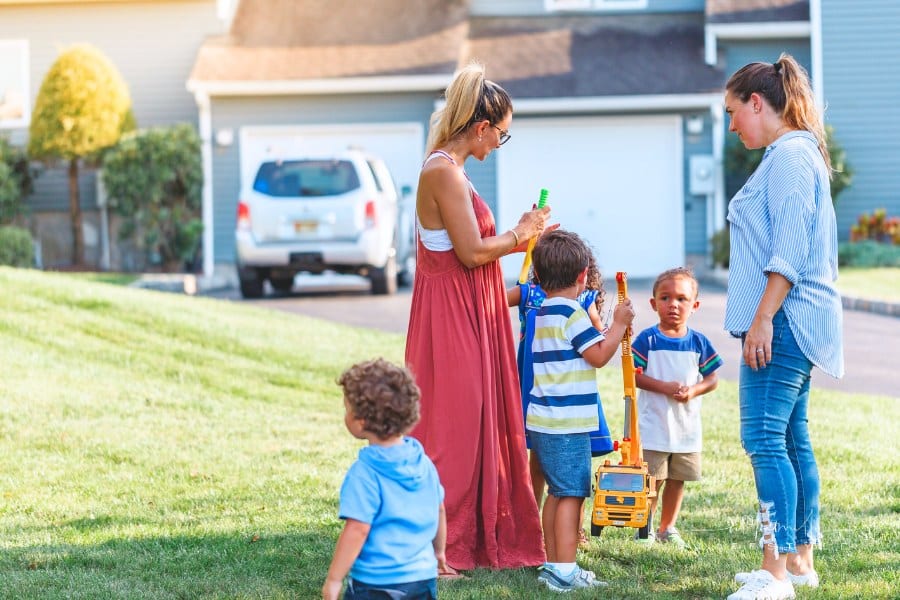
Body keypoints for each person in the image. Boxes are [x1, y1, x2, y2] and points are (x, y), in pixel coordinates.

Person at [404, 61, 550, 572]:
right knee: (456, 429)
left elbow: (467, 261)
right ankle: (440, 542)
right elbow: (468, 254)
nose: (499, 146)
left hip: (471, 309)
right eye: (501, 136)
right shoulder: (442, 170)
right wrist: (521, 233)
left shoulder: (453, 170)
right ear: (481, 127)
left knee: (477, 421)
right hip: (451, 319)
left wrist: (515, 289)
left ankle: (478, 531)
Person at [723, 53, 844, 600]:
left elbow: (788, 253)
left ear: (757, 102)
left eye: (733, 112)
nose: (732, 126)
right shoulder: (792, 155)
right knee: (792, 439)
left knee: (764, 440)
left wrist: (763, 319)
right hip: (793, 319)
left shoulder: (790, 158)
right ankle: (798, 562)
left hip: (785, 320)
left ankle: (775, 575)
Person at [526, 229, 634, 592]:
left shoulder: (543, 311)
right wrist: (618, 324)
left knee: (557, 492)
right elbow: (599, 356)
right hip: (566, 426)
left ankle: (554, 564)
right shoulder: (573, 314)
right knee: (571, 493)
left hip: (544, 421)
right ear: (583, 276)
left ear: (537, 277)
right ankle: (565, 571)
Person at [506, 252, 614, 544]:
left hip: (566, 393)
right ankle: (531, 527)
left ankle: (572, 532)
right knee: (545, 466)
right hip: (537, 387)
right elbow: (493, 300)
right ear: (582, 272)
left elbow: (597, 336)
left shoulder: (583, 301)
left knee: (567, 477)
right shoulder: (530, 295)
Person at [322, 359, 447, 600]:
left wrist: (334, 579)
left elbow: (357, 528)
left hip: (376, 582)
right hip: (422, 577)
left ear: (361, 421)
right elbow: (439, 509)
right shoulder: (423, 463)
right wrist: (439, 551)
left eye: (346, 408)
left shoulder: (364, 472)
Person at [631, 267, 722, 549]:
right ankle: (643, 528)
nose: (673, 305)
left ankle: (667, 527)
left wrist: (693, 390)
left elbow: (712, 379)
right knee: (652, 481)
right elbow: (634, 375)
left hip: (686, 429)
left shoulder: (698, 343)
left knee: (677, 480)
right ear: (653, 303)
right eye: (665, 298)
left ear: (694, 306)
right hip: (655, 426)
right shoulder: (647, 340)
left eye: (682, 299)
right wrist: (665, 387)